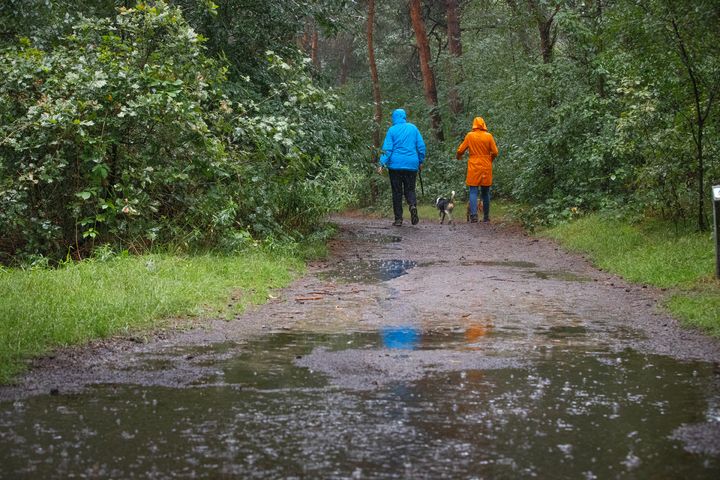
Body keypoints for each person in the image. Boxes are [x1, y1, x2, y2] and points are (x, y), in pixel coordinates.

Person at [377, 108, 426, 226]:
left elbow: (387, 149)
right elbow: (421, 146)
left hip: (395, 166)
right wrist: (420, 161)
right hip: (411, 165)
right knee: (410, 189)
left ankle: (398, 219)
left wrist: (381, 164)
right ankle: (412, 205)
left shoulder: (392, 130)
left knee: (397, 192)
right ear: (404, 117)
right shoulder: (413, 128)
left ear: (394, 118)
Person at [456, 116, 498, 223]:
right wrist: (489, 159)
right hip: (485, 166)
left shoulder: (470, 136)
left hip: (474, 166)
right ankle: (486, 216)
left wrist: (459, 156)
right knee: (485, 192)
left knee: (473, 191)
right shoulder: (488, 136)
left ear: (474, 125)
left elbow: (460, 150)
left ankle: (474, 216)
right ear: (483, 124)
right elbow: (495, 152)